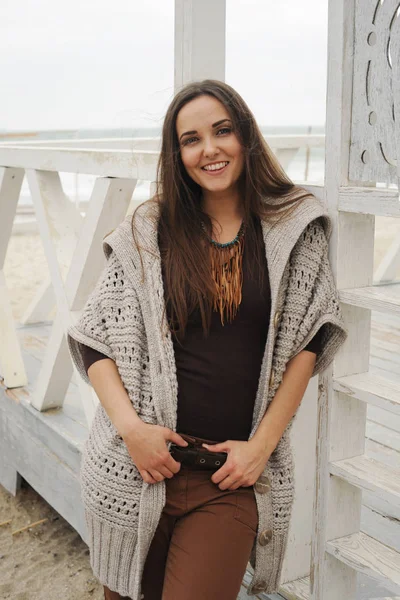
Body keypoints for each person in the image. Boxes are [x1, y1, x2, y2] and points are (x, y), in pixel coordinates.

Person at [67, 79, 347, 600]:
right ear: (178, 154)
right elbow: (95, 339)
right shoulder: (149, 230)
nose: (209, 149)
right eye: (190, 139)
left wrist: (259, 450)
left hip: (227, 478)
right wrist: (132, 432)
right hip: (139, 469)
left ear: (246, 135)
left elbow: (307, 346)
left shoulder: (295, 226)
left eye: (222, 131)